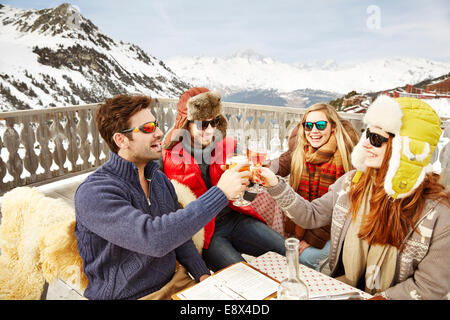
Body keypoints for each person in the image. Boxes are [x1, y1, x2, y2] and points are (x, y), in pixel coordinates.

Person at [258, 96, 450, 299]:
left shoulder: (438, 216)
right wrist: (275, 184)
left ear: (405, 149)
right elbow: (311, 215)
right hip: (345, 290)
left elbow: (430, 287)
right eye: (367, 134)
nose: (365, 144)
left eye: (376, 139)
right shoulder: (351, 184)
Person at [74, 94, 250, 300]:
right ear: (121, 140)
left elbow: (178, 235)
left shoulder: (158, 179)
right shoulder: (95, 192)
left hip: (177, 283)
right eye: (148, 128)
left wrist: (202, 274)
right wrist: (219, 194)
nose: (159, 133)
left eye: (156, 125)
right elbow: (155, 238)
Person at [162, 87, 286, 272]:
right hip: (206, 232)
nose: (210, 129)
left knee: (287, 250)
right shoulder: (165, 158)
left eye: (215, 122)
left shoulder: (229, 146)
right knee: (243, 275)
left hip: (236, 217)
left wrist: (251, 183)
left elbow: (246, 192)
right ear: (185, 123)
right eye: (202, 124)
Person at [266, 103, 359, 270]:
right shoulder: (303, 147)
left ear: (332, 127)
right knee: (275, 243)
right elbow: (284, 162)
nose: (313, 131)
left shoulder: (345, 158)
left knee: (303, 258)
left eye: (320, 125)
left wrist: (311, 239)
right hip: (307, 217)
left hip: (334, 228)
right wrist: (266, 167)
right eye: (308, 125)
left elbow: (336, 211)